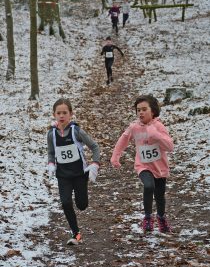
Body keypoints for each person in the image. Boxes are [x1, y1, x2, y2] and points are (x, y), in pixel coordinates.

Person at [110, 95, 174, 234]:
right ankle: (147, 217)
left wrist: (156, 135)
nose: (141, 113)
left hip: (160, 168)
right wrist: (115, 156)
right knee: (148, 185)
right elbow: (124, 139)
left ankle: (161, 217)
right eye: (138, 110)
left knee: (159, 196)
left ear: (153, 111)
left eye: (144, 109)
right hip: (143, 166)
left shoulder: (159, 126)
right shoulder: (134, 127)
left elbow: (170, 147)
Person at [47, 98, 100, 245]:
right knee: (65, 202)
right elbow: (51, 152)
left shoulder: (76, 131)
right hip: (63, 175)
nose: (61, 116)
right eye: (59, 113)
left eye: (65, 112)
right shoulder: (51, 134)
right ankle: (76, 233)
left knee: (82, 205)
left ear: (71, 114)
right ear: (54, 114)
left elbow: (94, 147)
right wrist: (51, 164)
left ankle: (81, 199)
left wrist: (95, 163)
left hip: (79, 174)